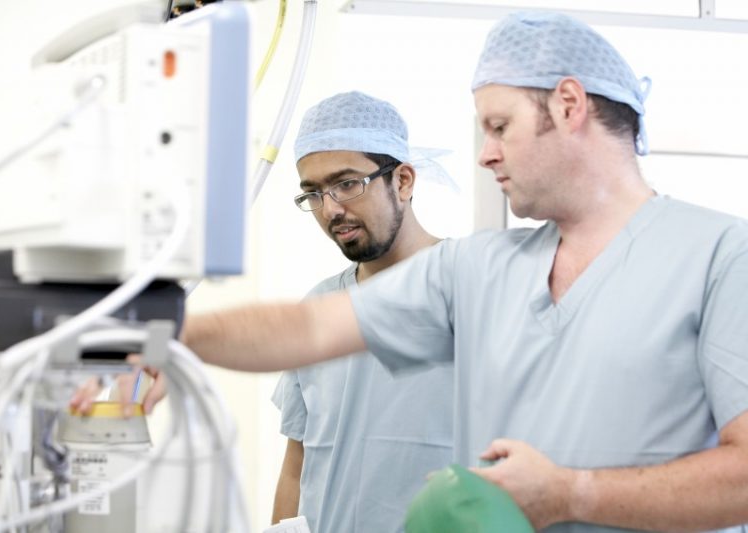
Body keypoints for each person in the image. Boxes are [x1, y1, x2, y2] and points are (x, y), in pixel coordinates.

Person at [180, 11, 748, 533]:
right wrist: (162, 336)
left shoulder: (720, 255)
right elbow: (308, 331)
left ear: (569, 105)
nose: (484, 154)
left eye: (499, 126)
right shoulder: (478, 268)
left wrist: (573, 494)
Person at [270, 91, 454, 533]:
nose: (331, 209)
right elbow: (297, 462)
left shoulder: (470, 288)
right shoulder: (318, 308)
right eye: (313, 193)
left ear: (403, 181)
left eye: (348, 183)